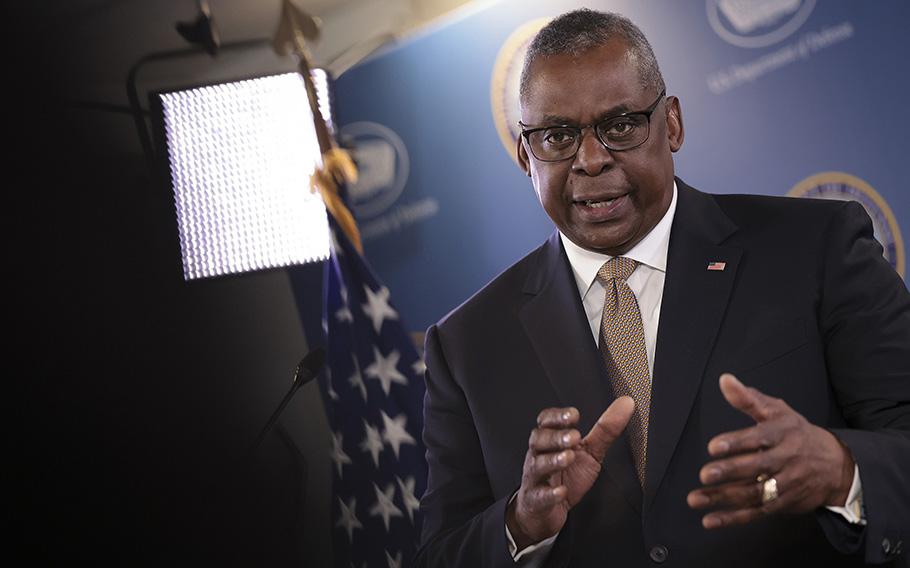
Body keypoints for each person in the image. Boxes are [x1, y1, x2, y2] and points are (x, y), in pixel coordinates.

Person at [414, 8, 910, 568]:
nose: (591, 159)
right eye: (558, 135)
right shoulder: (466, 345)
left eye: (621, 124)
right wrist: (521, 522)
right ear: (527, 155)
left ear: (670, 124)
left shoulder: (816, 248)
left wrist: (843, 471)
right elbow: (438, 553)